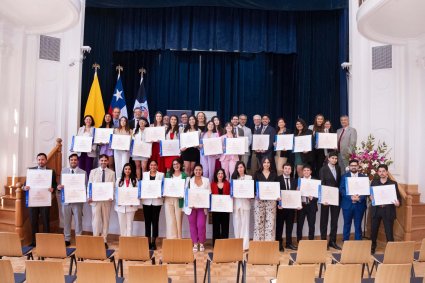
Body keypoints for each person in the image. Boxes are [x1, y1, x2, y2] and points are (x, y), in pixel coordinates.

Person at [23, 153, 57, 246]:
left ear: (46, 160)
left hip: (45, 200)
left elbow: (54, 185)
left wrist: (53, 189)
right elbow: (24, 185)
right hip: (33, 200)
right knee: (33, 221)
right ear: (37, 160)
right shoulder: (31, 171)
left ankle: (46, 241)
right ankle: (34, 242)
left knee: (46, 220)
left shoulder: (51, 171)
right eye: (39, 160)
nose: (40, 161)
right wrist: (24, 187)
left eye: (42, 159)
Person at [370, 164, 401, 254]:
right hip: (376, 210)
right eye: (380, 171)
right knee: (374, 230)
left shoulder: (393, 183)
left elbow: (398, 197)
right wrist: (371, 198)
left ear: (387, 172)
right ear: (378, 173)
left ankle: (391, 250)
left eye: (383, 171)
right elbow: (370, 195)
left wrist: (397, 203)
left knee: (389, 232)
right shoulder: (374, 182)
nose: (382, 173)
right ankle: (372, 247)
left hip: (388, 210)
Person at [57, 154, 87, 246]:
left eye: (75, 160)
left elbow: (85, 186)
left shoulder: (83, 172)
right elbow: (61, 185)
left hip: (77, 200)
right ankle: (67, 238)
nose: (73, 161)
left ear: (77, 161)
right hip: (66, 200)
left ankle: (79, 238)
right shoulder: (64, 171)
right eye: (71, 160)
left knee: (78, 220)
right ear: (69, 161)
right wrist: (59, 187)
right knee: (66, 220)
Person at [88, 154, 116, 248]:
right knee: (95, 221)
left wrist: (111, 196)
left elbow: (113, 187)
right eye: (102, 160)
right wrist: (89, 196)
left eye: (105, 160)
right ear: (99, 161)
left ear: (108, 162)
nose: (103, 162)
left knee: (105, 221)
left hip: (106, 200)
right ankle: (95, 239)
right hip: (95, 200)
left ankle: (104, 240)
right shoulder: (93, 172)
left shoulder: (112, 173)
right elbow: (89, 185)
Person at [339, 159, 367, 242]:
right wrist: (350, 197)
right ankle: (346, 242)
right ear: (349, 167)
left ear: (358, 166)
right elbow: (342, 189)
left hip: (359, 205)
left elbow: (366, 190)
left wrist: (359, 198)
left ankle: (358, 243)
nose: (354, 167)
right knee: (347, 224)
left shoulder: (364, 177)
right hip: (347, 204)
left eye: (355, 165)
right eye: (352, 165)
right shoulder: (344, 176)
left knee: (358, 225)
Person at [319, 151, 341, 250]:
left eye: (336, 158)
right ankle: (324, 241)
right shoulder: (323, 169)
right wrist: (323, 198)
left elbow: (338, 183)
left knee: (334, 220)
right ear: (328, 158)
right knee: (324, 220)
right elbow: (322, 184)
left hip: (335, 198)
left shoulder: (338, 168)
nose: (334, 160)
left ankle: (332, 241)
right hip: (326, 198)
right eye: (332, 158)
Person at [185, 164, 210, 252]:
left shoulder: (206, 181)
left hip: (202, 208)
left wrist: (206, 203)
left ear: (202, 171)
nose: (198, 171)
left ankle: (202, 243)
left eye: (199, 170)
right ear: (194, 171)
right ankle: (195, 243)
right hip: (192, 207)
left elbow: (209, 193)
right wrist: (189, 204)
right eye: (196, 170)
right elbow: (186, 194)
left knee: (201, 225)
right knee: (192, 225)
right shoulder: (189, 180)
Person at [254, 157, 278, 241]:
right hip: (259, 201)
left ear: (270, 164)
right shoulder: (257, 173)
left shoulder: (274, 174)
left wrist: (277, 196)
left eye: (268, 162)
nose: (266, 164)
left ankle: (269, 244)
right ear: (262, 163)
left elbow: (276, 188)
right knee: (259, 222)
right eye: (264, 162)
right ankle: (258, 244)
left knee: (270, 223)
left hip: (271, 202)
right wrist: (255, 194)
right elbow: (254, 188)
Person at [142, 160, 164, 250]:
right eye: (151, 165)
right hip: (146, 201)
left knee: (155, 222)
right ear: (149, 166)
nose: (153, 166)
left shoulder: (161, 175)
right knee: (147, 222)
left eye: (155, 165)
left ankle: (153, 242)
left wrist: (161, 193)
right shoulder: (145, 175)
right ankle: (147, 242)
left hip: (157, 201)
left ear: (157, 166)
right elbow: (143, 186)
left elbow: (163, 187)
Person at [276, 163, 298, 251]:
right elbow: (275, 193)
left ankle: (289, 243)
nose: (287, 170)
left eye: (289, 169)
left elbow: (296, 195)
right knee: (279, 227)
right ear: (282, 169)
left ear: (291, 170)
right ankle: (279, 244)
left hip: (291, 208)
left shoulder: (294, 181)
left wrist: (297, 204)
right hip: (281, 208)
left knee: (290, 226)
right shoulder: (277, 179)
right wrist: (278, 203)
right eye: (286, 168)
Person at [231, 161, 252, 250]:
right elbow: (231, 193)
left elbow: (251, 192)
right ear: (236, 169)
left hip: (246, 204)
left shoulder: (249, 178)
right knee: (237, 225)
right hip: (236, 205)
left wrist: (250, 196)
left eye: (241, 167)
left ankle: (245, 246)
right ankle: (237, 245)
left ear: (244, 168)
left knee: (245, 225)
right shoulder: (234, 179)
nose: (240, 169)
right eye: (238, 167)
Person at [164, 158, 187, 239]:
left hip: (179, 199)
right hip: (169, 199)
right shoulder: (168, 174)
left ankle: (179, 239)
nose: (176, 166)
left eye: (177, 164)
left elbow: (186, 188)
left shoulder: (184, 175)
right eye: (174, 164)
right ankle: (171, 239)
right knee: (170, 220)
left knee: (178, 220)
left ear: (180, 164)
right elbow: (165, 187)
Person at [115, 163, 138, 236]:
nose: (127, 170)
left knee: (129, 225)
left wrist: (133, 202)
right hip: (120, 206)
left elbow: (137, 193)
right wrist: (118, 201)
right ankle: (123, 242)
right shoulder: (119, 180)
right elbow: (115, 192)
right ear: (123, 170)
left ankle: (129, 242)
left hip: (131, 207)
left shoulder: (135, 180)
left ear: (131, 170)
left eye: (129, 169)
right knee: (122, 225)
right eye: (126, 169)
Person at [296, 164, 318, 242]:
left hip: (312, 206)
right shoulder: (299, 181)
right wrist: (297, 191)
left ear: (311, 171)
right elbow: (295, 195)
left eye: (308, 170)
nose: (306, 172)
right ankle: (299, 241)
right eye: (304, 170)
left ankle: (311, 241)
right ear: (302, 172)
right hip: (301, 205)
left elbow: (319, 194)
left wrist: (314, 198)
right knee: (299, 225)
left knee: (311, 225)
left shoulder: (315, 181)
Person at [211, 168, 231, 246]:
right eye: (219, 173)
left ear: (224, 175)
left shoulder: (227, 184)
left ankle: (224, 245)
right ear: (216, 175)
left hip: (225, 210)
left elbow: (230, 196)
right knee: (216, 227)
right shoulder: (212, 184)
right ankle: (216, 245)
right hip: (216, 210)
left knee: (225, 227)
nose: (220, 175)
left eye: (222, 173)